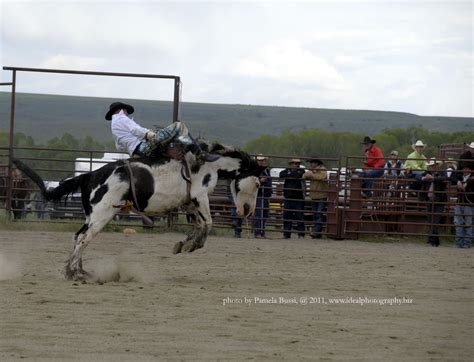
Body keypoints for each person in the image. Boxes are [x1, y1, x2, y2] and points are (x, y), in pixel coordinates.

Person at [105, 101, 206, 159]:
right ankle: (198, 153)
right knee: (179, 126)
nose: (127, 113)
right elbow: (135, 129)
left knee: (170, 139)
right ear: (122, 110)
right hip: (142, 147)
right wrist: (150, 134)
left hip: (135, 151)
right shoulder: (121, 118)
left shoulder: (114, 125)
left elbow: (119, 147)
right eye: (126, 111)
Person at [416, 158, 448, 247]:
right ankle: (434, 240)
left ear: (437, 166)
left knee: (435, 220)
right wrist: (424, 178)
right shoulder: (426, 173)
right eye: (431, 166)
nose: (433, 167)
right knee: (431, 220)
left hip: (439, 201)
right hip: (430, 200)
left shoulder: (441, 173)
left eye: (434, 165)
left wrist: (433, 178)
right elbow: (417, 177)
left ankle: (431, 240)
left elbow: (444, 178)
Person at [450, 147, 474, 248]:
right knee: (458, 222)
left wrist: (467, 183)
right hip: (460, 202)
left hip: (469, 203)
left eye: (467, 169)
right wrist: (458, 182)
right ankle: (460, 242)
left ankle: (466, 243)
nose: (465, 170)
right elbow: (452, 177)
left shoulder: (471, 179)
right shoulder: (459, 176)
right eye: (464, 168)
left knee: (467, 222)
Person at [279, 159, 306, 239]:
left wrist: (290, 174)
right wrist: (291, 174)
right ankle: (286, 234)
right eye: (295, 163)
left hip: (298, 197)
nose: (297, 165)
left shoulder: (301, 170)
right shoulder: (286, 171)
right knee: (287, 216)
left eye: (298, 163)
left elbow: (296, 175)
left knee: (299, 216)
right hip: (288, 197)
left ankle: (301, 234)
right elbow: (281, 175)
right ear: (290, 164)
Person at [303, 158, 328, 238]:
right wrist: (311, 174)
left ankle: (316, 231)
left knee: (318, 213)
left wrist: (311, 175)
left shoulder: (322, 169)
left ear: (316, 163)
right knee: (316, 214)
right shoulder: (311, 170)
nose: (310, 164)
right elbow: (304, 176)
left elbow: (323, 177)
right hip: (314, 195)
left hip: (321, 195)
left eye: (312, 163)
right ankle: (317, 232)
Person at [253, 154, 272, 238]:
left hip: (266, 194)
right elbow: (252, 181)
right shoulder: (254, 170)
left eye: (262, 160)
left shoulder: (267, 170)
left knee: (264, 214)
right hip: (259, 194)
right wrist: (260, 180)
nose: (261, 162)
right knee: (258, 213)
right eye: (260, 160)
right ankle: (258, 232)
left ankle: (262, 231)